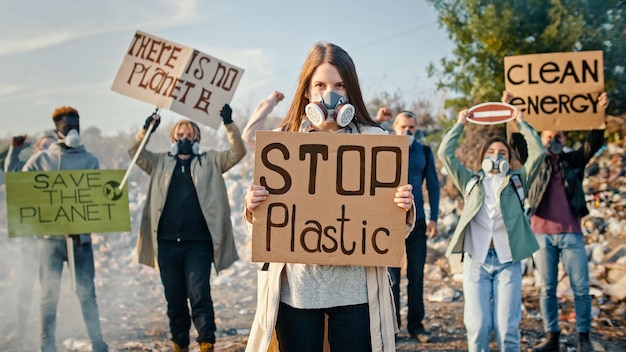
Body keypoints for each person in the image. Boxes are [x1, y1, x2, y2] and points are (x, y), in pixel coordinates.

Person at [244, 41, 416, 352]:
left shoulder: (377, 143)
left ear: (350, 92)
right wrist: (253, 205)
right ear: (307, 92)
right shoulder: (283, 144)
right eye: (320, 85)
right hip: (296, 292)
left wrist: (403, 208)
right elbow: (264, 232)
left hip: (357, 295)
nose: (330, 94)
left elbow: (394, 232)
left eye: (339, 85)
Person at [133, 104, 246, 352]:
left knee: (199, 295)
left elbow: (238, 152)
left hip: (199, 245)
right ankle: (179, 344)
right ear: (173, 139)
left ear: (197, 139)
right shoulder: (159, 163)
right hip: (166, 244)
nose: (185, 139)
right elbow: (136, 153)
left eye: (189, 135)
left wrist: (229, 123)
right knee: (174, 300)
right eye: (180, 136)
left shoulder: (211, 162)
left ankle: (206, 343)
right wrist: (146, 130)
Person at [504, 91, 610, 352]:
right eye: (549, 137)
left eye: (559, 136)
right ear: (541, 139)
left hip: (572, 233)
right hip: (540, 233)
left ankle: (584, 338)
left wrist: (600, 112)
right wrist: (510, 112)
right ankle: (552, 336)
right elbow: (517, 144)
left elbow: (593, 142)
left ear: (565, 139)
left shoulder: (573, 161)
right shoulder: (534, 162)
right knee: (546, 289)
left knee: (581, 289)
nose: (554, 140)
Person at [437, 106, 546, 352]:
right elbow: (445, 153)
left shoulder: (518, 180)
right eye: (492, 152)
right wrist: (460, 123)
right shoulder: (471, 181)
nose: (497, 156)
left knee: (507, 328)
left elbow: (538, 153)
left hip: (509, 263)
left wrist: (521, 122)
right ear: (483, 157)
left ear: (509, 159)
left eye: (502, 153)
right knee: (478, 327)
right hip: (477, 262)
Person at [22, 107, 108, 352]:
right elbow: (25, 195)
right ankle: (46, 345)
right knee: (49, 296)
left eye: (76, 127)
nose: (72, 131)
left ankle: (98, 343)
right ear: (56, 130)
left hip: (80, 241)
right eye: (67, 127)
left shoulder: (90, 161)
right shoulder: (39, 161)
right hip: (49, 241)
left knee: (87, 294)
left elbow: (97, 200)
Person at [376, 109, 440, 341]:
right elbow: (360, 139)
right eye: (403, 126)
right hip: (389, 222)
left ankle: (416, 326)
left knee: (416, 275)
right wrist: (377, 121)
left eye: (411, 127)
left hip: (418, 221)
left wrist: (434, 218)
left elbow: (433, 185)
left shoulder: (424, 151)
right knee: (391, 277)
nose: (407, 130)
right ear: (394, 127)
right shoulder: (384, 148)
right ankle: (392, 328)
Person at [3, 134, 55, 345]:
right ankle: (20, 328)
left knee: (49, 290)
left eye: (51, 147)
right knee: (25, 287)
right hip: (30, 241)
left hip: (51, 241)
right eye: (43, 146)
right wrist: (14, 150)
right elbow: (11, 175)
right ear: (35, 151)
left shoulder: (59, 173)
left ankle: (48, 334)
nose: (47, 150)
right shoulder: (30, 171)